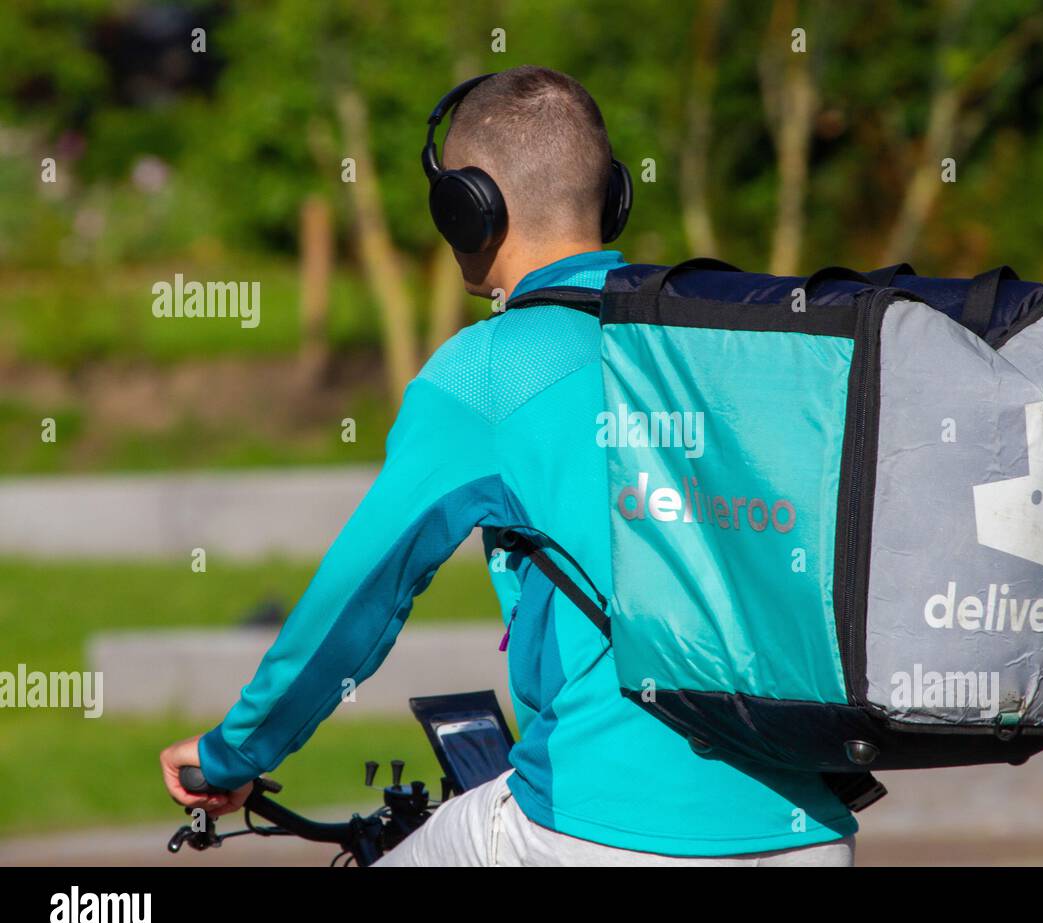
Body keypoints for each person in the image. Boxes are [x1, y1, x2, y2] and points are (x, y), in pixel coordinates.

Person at [160, 65, 857, 866]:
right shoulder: (729, 348)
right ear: (615, 196)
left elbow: (358, 595)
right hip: (808, 832)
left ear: (465, 208)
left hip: (596, 827)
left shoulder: (488, 372)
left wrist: (235, 754)